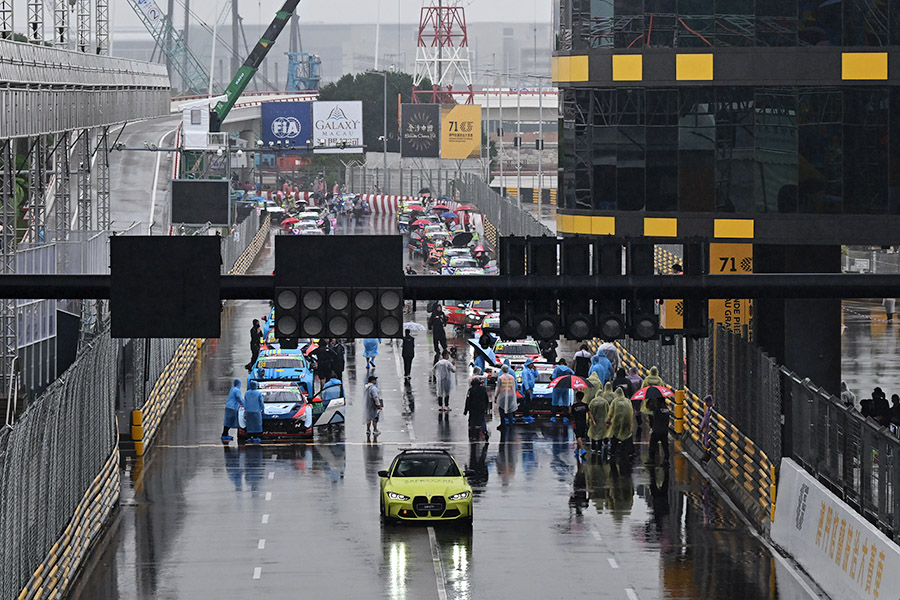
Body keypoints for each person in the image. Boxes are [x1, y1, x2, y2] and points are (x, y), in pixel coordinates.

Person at [606, 388, 634, 462]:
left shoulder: (615, 401)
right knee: (627, 435)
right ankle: (630, 451)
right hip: (627, 421)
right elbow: (631, 411)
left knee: (615, 435)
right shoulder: (628, 401)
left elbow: (610, 413)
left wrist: (608, 421)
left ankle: (612, 451)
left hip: (617, 421)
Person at [587, 378, 609, 454]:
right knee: (600, 434)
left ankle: (593, 448)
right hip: (602, 420)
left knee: (593, 434)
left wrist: (588, 420)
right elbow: (608, 411)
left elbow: (589, 410)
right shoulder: (605, 401)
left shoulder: (593, 401)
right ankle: (599, 448)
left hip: (594, 420)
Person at [647, 395, 672, 465]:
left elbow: (648, 407)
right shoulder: (666, 409)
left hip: (657, 430)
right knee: (665, 446)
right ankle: (666, 459)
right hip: (664, 430)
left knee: (652, 445)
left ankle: (651, 459)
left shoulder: (657, 408)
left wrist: (650, 400)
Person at [464, 377, 490, 441]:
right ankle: (485, 431)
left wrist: (466, 410)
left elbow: (468, 400)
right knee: (482, 420)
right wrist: (486, 407)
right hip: (481, 408)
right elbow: (486, 399)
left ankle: (473, 435)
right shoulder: (483, 389)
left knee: (472, 421)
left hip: (473, 408)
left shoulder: (470, 390)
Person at [494, 363, 518, 428]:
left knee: (501, 409)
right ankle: (510, 424)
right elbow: (514, 386)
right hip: (510, 395)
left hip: (502, 396)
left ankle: (503, 423)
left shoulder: (500, 378)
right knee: (510, 410)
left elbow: (498, 388)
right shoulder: (512, 377)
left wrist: (496, 396)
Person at [571, 391, 590, 460]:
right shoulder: (585, 405)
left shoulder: (574, 406)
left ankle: (582, 449)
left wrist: (570, 407)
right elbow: (589, 413)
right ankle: (577, 450)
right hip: (584, 422)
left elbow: (571, 414)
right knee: (581, 436)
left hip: (577, 423)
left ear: (576, 397)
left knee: (578, 436)